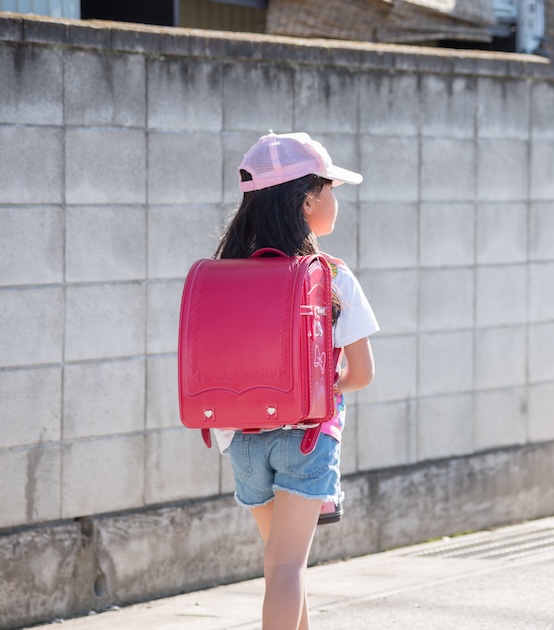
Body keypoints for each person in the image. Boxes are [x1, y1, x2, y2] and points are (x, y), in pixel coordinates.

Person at [212, 131, 378, 630]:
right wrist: (317, 392)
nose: (335, 200)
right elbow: (362, 374)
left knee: (284, 564)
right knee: (285, 567)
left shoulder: (226, 273)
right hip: (306, 439)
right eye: (330, 189)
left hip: (241, 440)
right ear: (308, 200)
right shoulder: (329, 275)